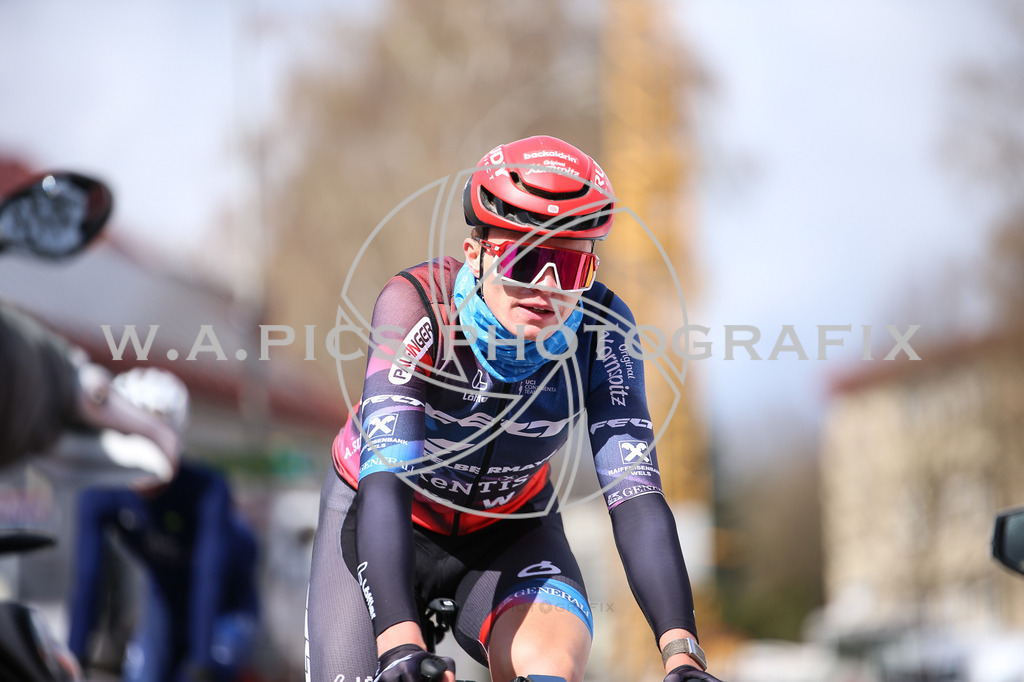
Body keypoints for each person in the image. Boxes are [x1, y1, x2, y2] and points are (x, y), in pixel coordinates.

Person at [305, 135, 725, 682]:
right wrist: (401, 648)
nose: (544, 289)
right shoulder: (416, 305)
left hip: (510, 530)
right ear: (476, 251)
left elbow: (637, 499)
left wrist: (682, 655)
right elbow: (386, 485)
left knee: (549, 670)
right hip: (389, 519)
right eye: (524, 259)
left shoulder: (604, 333)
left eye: (568, 270)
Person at [67, 368, 260, 682]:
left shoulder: (209, 491)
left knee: (205, 670)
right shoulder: (101, 491)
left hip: (226, 605)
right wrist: (72, 662)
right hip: (165, 601)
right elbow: (89, 581)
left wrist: (201, 662)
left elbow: (208, 578)